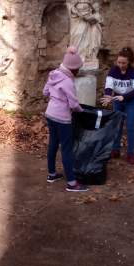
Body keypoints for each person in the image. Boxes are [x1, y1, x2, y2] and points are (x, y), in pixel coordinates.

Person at [43, 46, 88, 192]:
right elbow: (74, 104)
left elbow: (45, 92)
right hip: (62, 119)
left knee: (53, 144)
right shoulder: (68, 82)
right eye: (78, 69)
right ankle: (72, 183)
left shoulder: (54, 74)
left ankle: (51, 174)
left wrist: (55, 97)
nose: (79, 71)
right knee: (67, 149)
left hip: (50, 114)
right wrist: (82, 111)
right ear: (72, 69)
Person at [101, 47, 134, 165]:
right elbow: (109, 86)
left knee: (130, 127)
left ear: (129, 62)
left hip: (131, 101)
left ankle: (130, 153)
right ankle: (115, 150)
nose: (121, 65)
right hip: (117, 101)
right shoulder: (113, 71)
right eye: (119, 62)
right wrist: (108, 96)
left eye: (123, 63)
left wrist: (124, 97)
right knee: (117, 126)